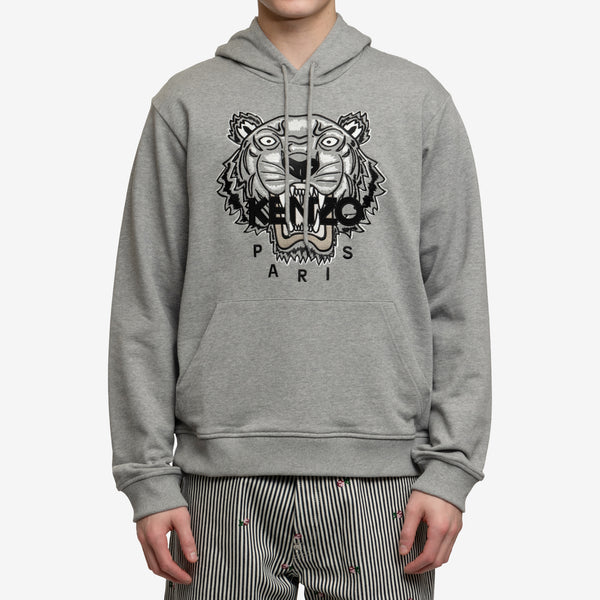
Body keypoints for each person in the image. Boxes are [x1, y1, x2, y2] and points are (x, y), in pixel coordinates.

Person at [107, 1, 492, 598]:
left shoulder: (418, 99)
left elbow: (457, 297)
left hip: (385, 483)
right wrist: (147, 475)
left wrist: (451, 467)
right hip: (216, 483)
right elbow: (146, 301)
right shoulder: (185, 103)